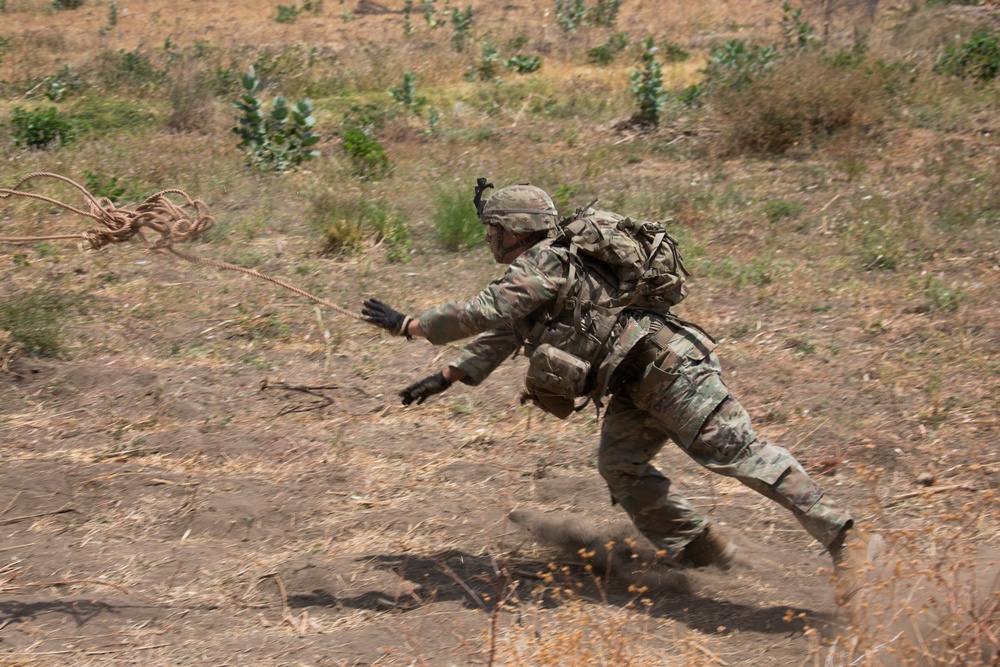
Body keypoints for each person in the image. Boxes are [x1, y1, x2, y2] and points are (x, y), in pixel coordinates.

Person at [361, 181, 878, 600]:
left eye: (493, 228)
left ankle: (844, 537)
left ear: (513, 231)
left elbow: (484, 311)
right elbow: (503, 333)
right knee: (621, 465)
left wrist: (412, 324)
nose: (489, 238)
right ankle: (701, 549)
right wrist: (447, 377)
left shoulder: (542, 263)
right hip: (635, 382)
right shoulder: (554, 266)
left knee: (740, 456)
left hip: (672, 372)